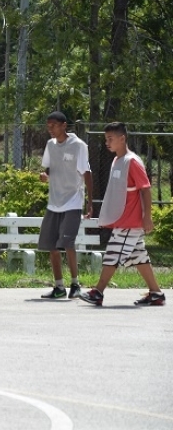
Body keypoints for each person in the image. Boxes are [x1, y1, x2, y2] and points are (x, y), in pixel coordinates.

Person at [79, 122, 165, 306]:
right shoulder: (117, 160)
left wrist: (147, 217)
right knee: (139, 256)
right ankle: (156, 293)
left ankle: (98, 292)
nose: (107, 142)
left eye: (110, 139)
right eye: (105, 139)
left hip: (131, 222)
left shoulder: (131, 161)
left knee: (112, 254)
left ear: (122, 138)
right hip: (123, 220)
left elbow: (146, 189)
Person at [38, 111, 94, 299]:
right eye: (48, 126)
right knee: (52, 246)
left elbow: (87, 173)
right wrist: (46, 176)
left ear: (64, 125)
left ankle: (75, 284)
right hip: (54, 203)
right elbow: (49, 168)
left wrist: (89, 203)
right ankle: (59, 287)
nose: (50, 129)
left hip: (73, 201)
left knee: (67, 243)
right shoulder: (50, 145)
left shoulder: (78, 146)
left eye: (53, 125)